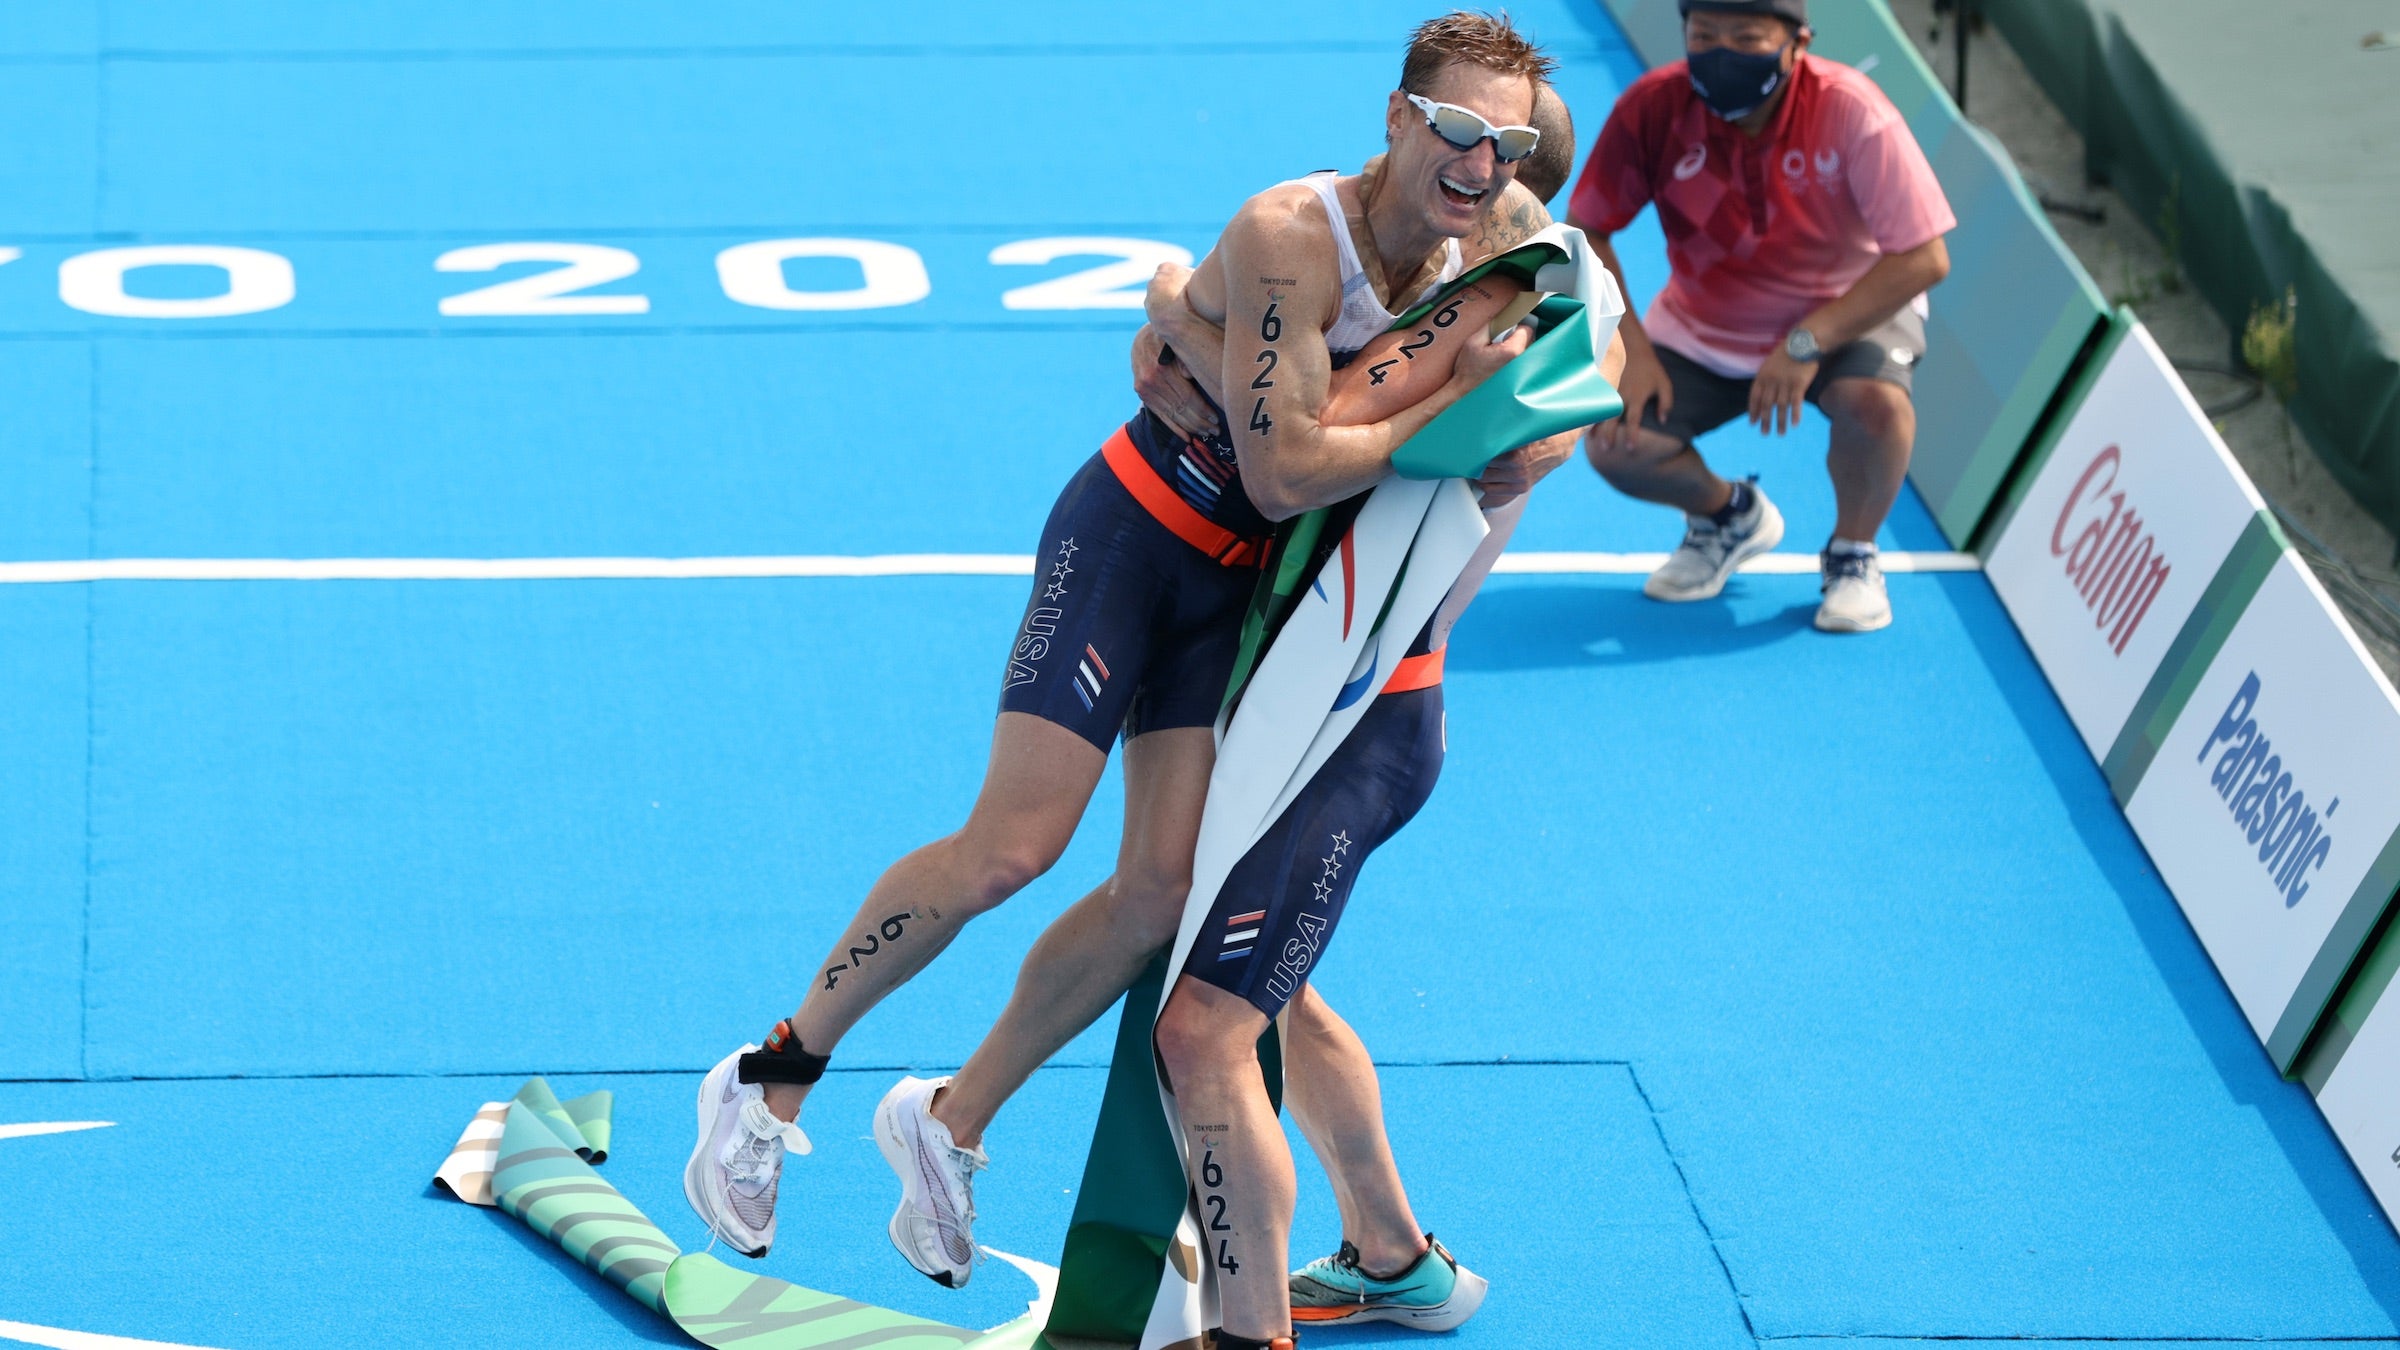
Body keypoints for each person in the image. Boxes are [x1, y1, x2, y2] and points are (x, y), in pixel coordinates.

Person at [681, 10, 1556, 1285]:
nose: (1482, 164)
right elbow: (1280, 471)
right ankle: (769, 1079)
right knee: (1008, 853)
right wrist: (1435, 414)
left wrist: (1192, 329)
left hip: (1240, 608)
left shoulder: (1505, 243)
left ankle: (941, 1127)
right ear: (1395, 116)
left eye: (1511, 143)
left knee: (1158, 899)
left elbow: (1564, 380)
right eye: (1460, 129)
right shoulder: (1291, 233)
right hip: (1134, 544)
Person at [1570, 0, 1953, 632]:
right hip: (1705, 325)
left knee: (1878, 407)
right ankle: (1730, 518)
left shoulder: (1851, 111)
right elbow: (1588, 232)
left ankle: (1854, 553)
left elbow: (1924, 256)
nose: (1723, 53)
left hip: (1843, 312)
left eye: (1747, 37)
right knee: (1617, 442)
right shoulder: (1653, 109)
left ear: (1797, 43)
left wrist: (1807, 342)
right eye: (1704, 35)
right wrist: (1632, 350)